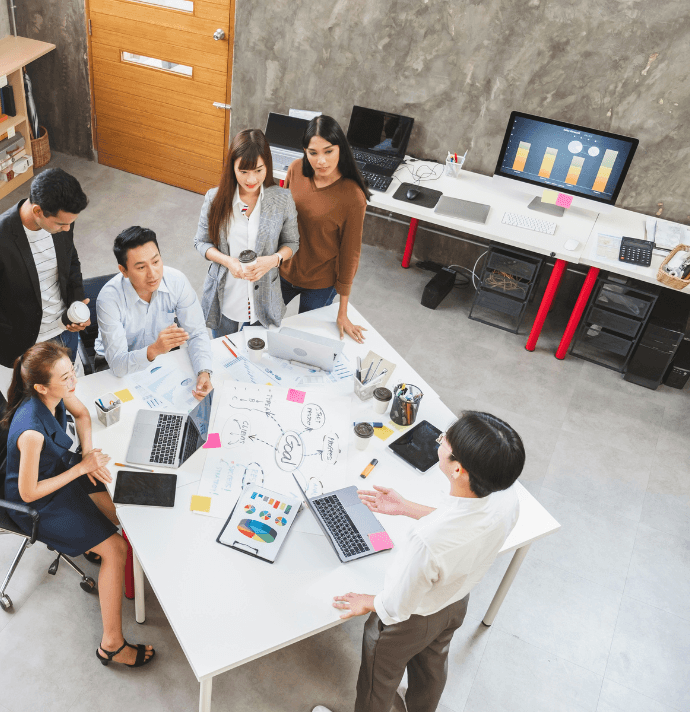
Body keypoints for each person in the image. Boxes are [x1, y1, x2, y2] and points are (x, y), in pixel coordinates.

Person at [313, 412, 525, 712]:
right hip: (455, 601)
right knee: (432, 666)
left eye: (444, 440)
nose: (440, 441)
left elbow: (396, 607)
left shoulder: (427, 541)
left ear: (458, 469)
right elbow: (466, 524)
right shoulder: (507, 496)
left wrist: (368, 601)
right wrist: (405, 507)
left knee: (377, 681)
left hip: (411, 620)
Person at [3, 341, 155, 668]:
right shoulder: (32, 432)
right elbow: (28, 493)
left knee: (119, 511)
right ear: (42, 387)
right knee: (117, 549)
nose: (74, 380)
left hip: (60, 472)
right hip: (37, 503)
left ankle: (92, 542)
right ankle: (111, 645)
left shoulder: (57, 391)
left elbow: (83, 414)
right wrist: (80, 469)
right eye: (66, 378)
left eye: (72, 371)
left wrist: (87, 455)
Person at [0, 168, 92, 406]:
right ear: (38, 211)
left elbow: (70, 260)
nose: (67, 229)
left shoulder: (63, 223)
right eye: (61, 224)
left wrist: (76, 303)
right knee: (38, 407)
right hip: (27, 346)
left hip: (65, 332)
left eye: (70, 223)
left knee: (72, 397)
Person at [193, 129, 299, 338]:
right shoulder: (214, 199)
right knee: (224, 350)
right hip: (226, 295)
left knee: (255, 352)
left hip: (264, 298)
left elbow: (292, 242)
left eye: (258, 170)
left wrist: (273, 260)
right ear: (232, 167)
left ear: (267, 165)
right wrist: (229, 262)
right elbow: (201, 242)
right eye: (243, 171)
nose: (252, 179)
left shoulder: (282, 199)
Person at [280, 115, 370, 343]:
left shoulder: (353, 196)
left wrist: (342, 311)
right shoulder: (296, 169)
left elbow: (350, 254)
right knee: (252, 329)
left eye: (328, 151)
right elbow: (282, 219)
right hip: (283, 271)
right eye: (313, 153)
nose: (321, 161)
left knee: (303, 343)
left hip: (320, 282)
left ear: (341, 149)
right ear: (305, 151)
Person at [95, 226, 213, 398]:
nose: (153, 274)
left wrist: (204, 372)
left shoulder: (177, 281)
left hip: (160, 353)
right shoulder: (108, 299)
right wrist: (154, 349)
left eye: (156, 262)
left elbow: (197, 333)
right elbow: (118, 365)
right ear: (124, 271)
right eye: (141, 267)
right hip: (115, 364)